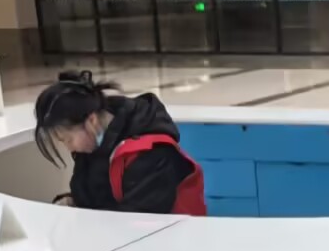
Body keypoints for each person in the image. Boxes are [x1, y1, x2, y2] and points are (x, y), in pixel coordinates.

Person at [34, 71, 206, 216]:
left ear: (92, 121)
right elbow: (94, 197)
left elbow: (139, 219)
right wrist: (71, 201)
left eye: (68, 139)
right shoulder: (92, 144)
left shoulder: (151, 153)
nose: (69, 147)